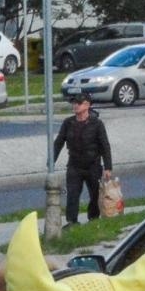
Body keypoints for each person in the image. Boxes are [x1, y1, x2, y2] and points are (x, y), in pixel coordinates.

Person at [53, 92, 112, 224]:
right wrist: (51, 160)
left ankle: (94, 219)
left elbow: (105, 146)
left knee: (95, 195)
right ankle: (71, 222)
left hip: (93, 165)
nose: (75, 106)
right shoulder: (68, 123)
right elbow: (59, 142)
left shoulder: (97, 124)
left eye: (78, 103)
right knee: (72, 195)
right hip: (74, 165)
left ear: (87, 105)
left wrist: (108, 167)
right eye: (74, 103)